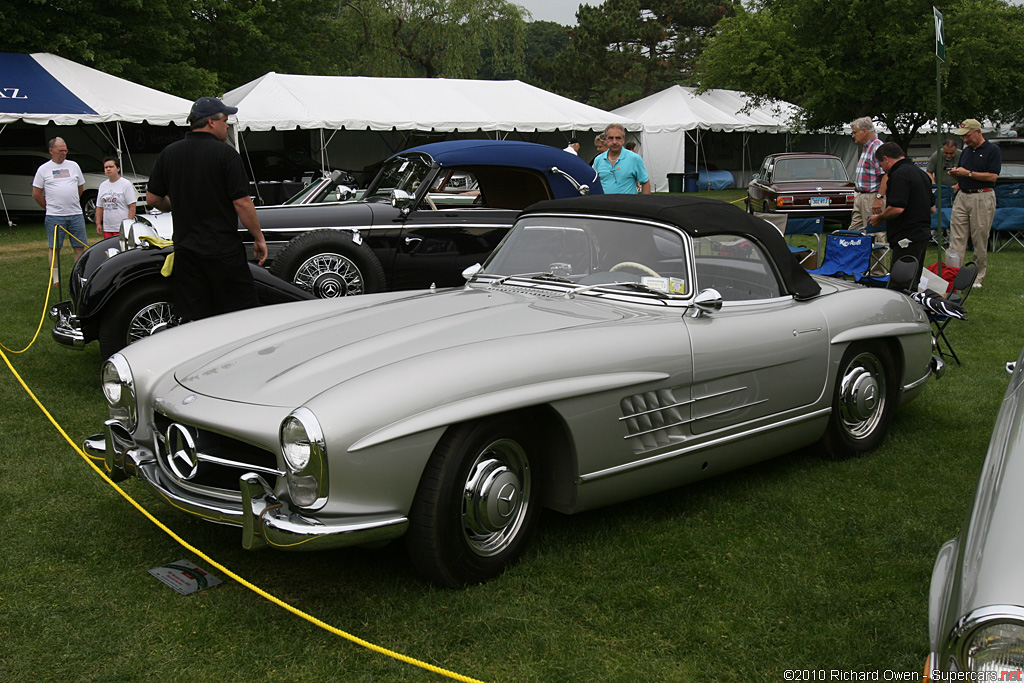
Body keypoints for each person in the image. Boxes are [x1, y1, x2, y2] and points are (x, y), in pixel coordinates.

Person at [146, 96, 268, 321]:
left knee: (196, 319)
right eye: (225, 120)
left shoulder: (169, 153)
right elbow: (241, 202)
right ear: (211, 122)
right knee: (240, 315)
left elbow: (153, 199)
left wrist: (179, 202)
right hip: (223, 251)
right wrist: (258, 237)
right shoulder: (226, 154)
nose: (227, 125)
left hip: (187, 252)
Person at [869, 142, 934, 287]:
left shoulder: (899, 175)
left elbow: (897, 208)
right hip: (922, 235)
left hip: (906, 238)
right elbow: (933, 208)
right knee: (913, 280)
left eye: (881, 164)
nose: (883, 169)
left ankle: (901, 308)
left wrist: (879, 218)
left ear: (886, 159)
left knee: (900, 283)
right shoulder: (921, 174)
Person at [948, 118, 1001, 288]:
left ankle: (977, 276)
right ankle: (953, 274)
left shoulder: (992, 150)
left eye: (968, 136)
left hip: (982, 196)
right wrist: (957, 175)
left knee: (979, 238)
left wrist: (968, 173)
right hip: (963, 195)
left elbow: (993, 176)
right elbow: (964, 172)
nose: (965, 140)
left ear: (978, 132)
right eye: (963, 137)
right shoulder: (966, 151)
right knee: (956, 237)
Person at [32, 137, 87, 284]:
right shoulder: (43, 169)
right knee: (55, 248)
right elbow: (36, 193)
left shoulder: (74, 166)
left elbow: (80, 187)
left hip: (75, 214)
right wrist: (49, 206)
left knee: (79, 246)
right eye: (60, 150)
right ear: (51, 151)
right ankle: (55, 279)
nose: (64, 153)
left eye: (65, 150)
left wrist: (71, 200)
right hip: (54, 216)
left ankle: (78, 277)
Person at [849, 117, 887, 232]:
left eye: (855, 132)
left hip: (872, 197)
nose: (853, 136)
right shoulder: (866, 148)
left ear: (864, 131)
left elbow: (885, 175)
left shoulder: (877, 148)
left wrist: (879, 198)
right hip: (861, 196)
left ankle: (879, 250)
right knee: (854, 232)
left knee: (874, 233)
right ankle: (855, 250)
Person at [592, 124, 650, 195]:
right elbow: (595, 184)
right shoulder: (598, 160)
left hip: (628, 204)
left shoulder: (634, 158)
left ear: (623, 139)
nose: (614, 142)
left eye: (618, 138)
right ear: (606, 139)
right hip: (605, 204)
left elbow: (645, 182)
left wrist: (644, 204)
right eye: (611, 138)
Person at [95, 156, 137, 240]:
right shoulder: (103, 185)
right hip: (108, 227)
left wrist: (128, 224)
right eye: (106, 167)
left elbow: (132, 206)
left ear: (118, 169)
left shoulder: (126, 184)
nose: (108, 169)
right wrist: (98, 223)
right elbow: (99, 207)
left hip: (121, 227)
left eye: (111, 167)